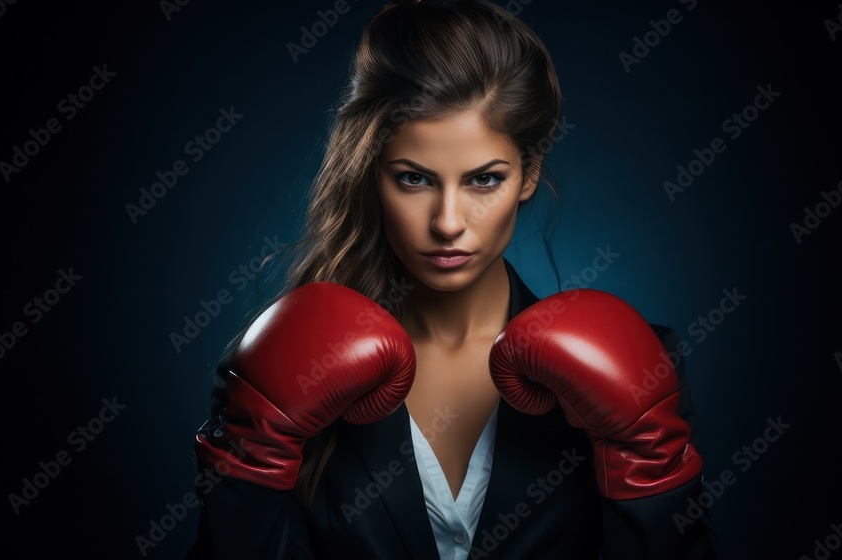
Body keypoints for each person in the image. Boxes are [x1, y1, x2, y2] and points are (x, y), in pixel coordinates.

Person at [186, 1, 722, 558]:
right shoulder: (281, 371)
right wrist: (248, 467)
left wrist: (650, 468)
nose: (447, 222)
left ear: (529, 173)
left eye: (484, 179)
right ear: (373, 172)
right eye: (414, 178)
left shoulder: (644, 366)